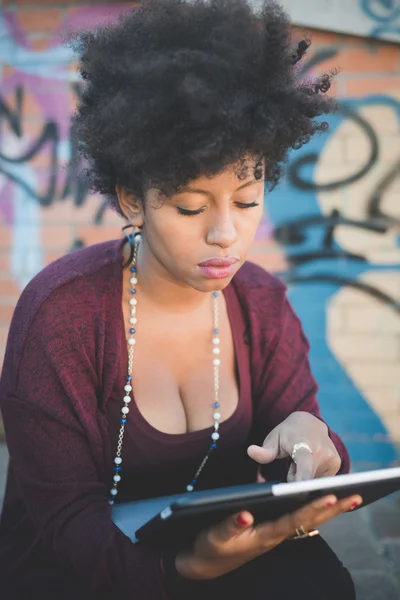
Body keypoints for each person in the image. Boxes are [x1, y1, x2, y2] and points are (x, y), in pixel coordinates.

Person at [0, 1, 361, 598]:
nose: (225, 233)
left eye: (246, 201)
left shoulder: (262, 303)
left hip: (225, 538)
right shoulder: (60, 315)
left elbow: (302, 432)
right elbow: (68, 523)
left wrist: (314, 440)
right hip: (81, 568)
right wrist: (186, 572)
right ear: (132, 199)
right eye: (191, 207)